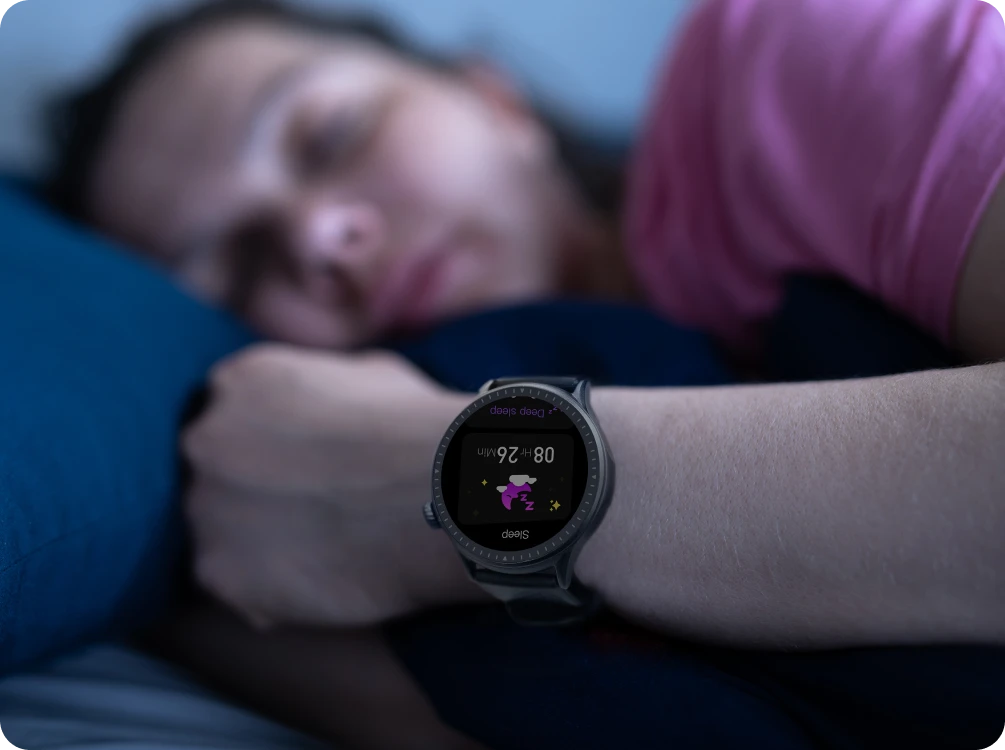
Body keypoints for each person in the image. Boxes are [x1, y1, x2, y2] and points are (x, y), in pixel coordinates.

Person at [44, 0, 1005, 745]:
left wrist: (444, 479)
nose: (319, 237)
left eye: (330, 136)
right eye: (241, 264)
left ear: (496, 102)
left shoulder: (786, 60)